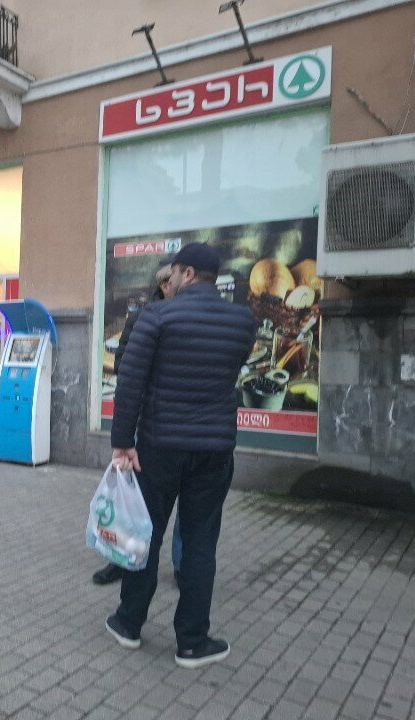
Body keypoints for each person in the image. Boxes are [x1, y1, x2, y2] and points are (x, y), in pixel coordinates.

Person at [104, 242, 255, 669]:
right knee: (201, 542)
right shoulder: (243, 321)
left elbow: (130, 382)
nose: (168, 281)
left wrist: (122, 443)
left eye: (171, 274)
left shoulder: (157, 315)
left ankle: (128, 624)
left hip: (160, 447)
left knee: (145, 535)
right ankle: (192, 641)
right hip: (214, 450)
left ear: (187, 273)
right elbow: (228, 372)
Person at [93, 260, 184, 586]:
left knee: (184, 508)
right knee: (131, 500)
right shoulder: (142, 318)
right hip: (145, 421)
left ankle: (182, 568)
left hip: (177, 428)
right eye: (176, 278)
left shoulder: (192, 319)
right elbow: (122, 366)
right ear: (165, 284)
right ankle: (120, 559)